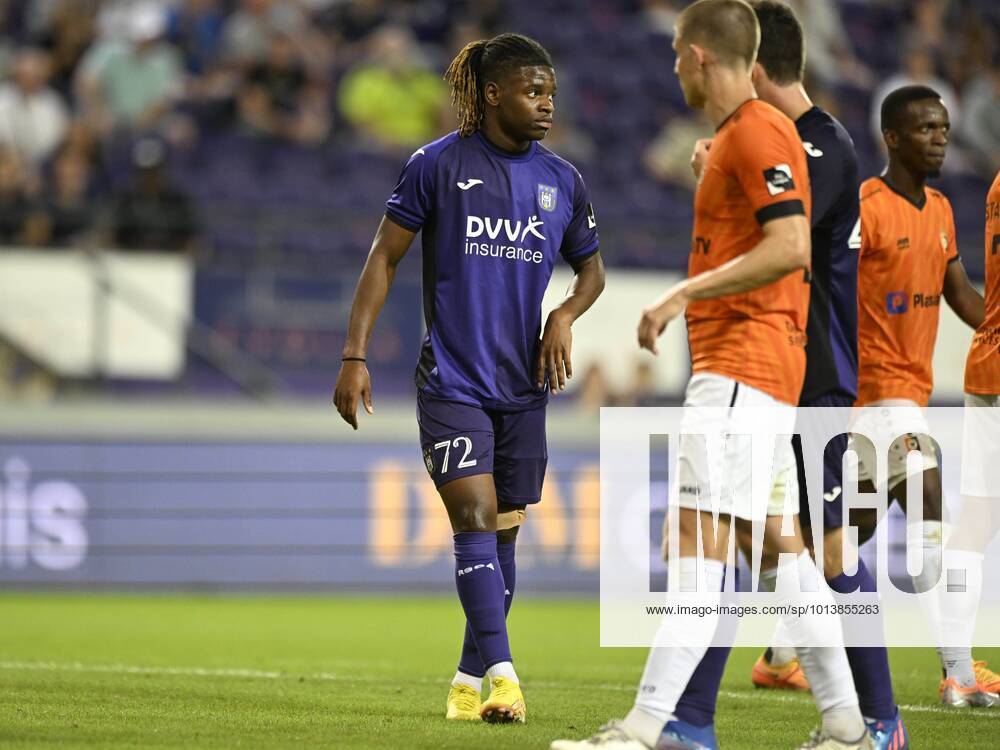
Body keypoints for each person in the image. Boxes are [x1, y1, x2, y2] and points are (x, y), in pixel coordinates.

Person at [551, 2, 869, 748]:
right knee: (777, 551)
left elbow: (791, 245)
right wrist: (714, 171)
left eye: (674, 54)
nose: (669, 67)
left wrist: (678, 294)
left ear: (699, 57)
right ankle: (846, 724)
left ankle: (641, 729)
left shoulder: (756, 129)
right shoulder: (747, 135)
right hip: (761, 373)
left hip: (737, 370)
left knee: (697, 546)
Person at [333, 32, 605, 725]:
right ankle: (506, 681)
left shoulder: (563, 180)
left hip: (524, 387)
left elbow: (592, 270)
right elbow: (384, 258)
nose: (546, 104)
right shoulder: (436, 166)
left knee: (505, 531)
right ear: (491, 94)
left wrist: (566, 315)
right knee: (476, 519)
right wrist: (353, 355)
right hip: (452, 382)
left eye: (550, 93)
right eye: (532, 91)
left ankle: (463, 682)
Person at [676, 4, 906, 748]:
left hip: (817, 378)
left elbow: (780, 240)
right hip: (783, 372)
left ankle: (879, 723)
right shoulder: (797, 142)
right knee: (755, 540)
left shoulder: (819, 146)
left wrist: (715, 174)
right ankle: (693, 719)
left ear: (758, 68)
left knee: (829, 552)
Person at [848, 84, 995, 708]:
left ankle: (778, 653)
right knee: (932, 507)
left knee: (848, 532)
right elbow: (826, 288)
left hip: (909, 394)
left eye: (944, 128)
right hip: (871, 394)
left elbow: (963, 295)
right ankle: (958, 671)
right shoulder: (866, 207)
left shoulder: (939, 209)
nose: (940, 138)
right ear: (892, 137)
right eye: (927, 128)